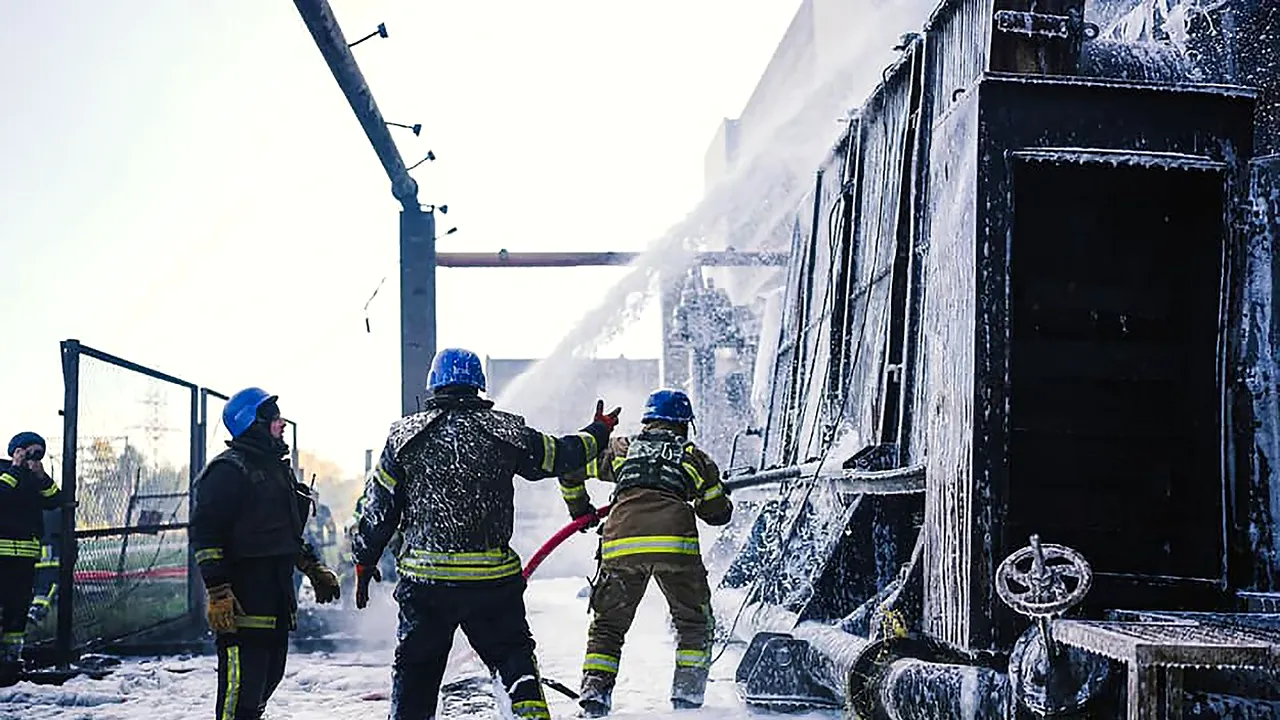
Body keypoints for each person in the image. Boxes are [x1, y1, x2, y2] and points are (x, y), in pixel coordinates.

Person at [351, 347, 620, 720]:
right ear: (478, 385)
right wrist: (600, 430)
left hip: (427, 586)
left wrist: (364, 562)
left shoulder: (403, 438)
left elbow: (378, 511)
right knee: (514, 661)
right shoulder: (507, 432)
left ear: (434, 385)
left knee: (417, 671)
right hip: (492, 584)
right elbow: (563, 455)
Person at [557, 389, 732, 715]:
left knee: (608, 625)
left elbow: (570, 469)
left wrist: (580, 510)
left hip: (622, 544)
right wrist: (715, 489)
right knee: (694, 624)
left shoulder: (622, 448)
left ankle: (595, 692)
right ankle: (687, 699)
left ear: (648, 419)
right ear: (683, 424)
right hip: (675, 549)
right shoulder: (696, 458)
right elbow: (717, 514)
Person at [190, 388, 342, 720]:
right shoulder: (227, 472)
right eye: (274, 417)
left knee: (265, 683)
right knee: (239, 692)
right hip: (242, 605)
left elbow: (285, 534)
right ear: (253, 424)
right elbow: (205, 534)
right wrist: (217, 590)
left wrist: (314, 568)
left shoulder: (277, 471)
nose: (281, 423)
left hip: (275, 603)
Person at [0, 431, 62, 686]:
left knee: (17, 611)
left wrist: (40, 474)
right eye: (28, 452)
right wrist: (15, 468)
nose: (31, 458)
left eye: (38, 453)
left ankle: (11, 660)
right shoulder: (4, 473)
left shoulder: (36, 480)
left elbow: (55, 499)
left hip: (25, 558)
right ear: (16, 451)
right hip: (1, 555)